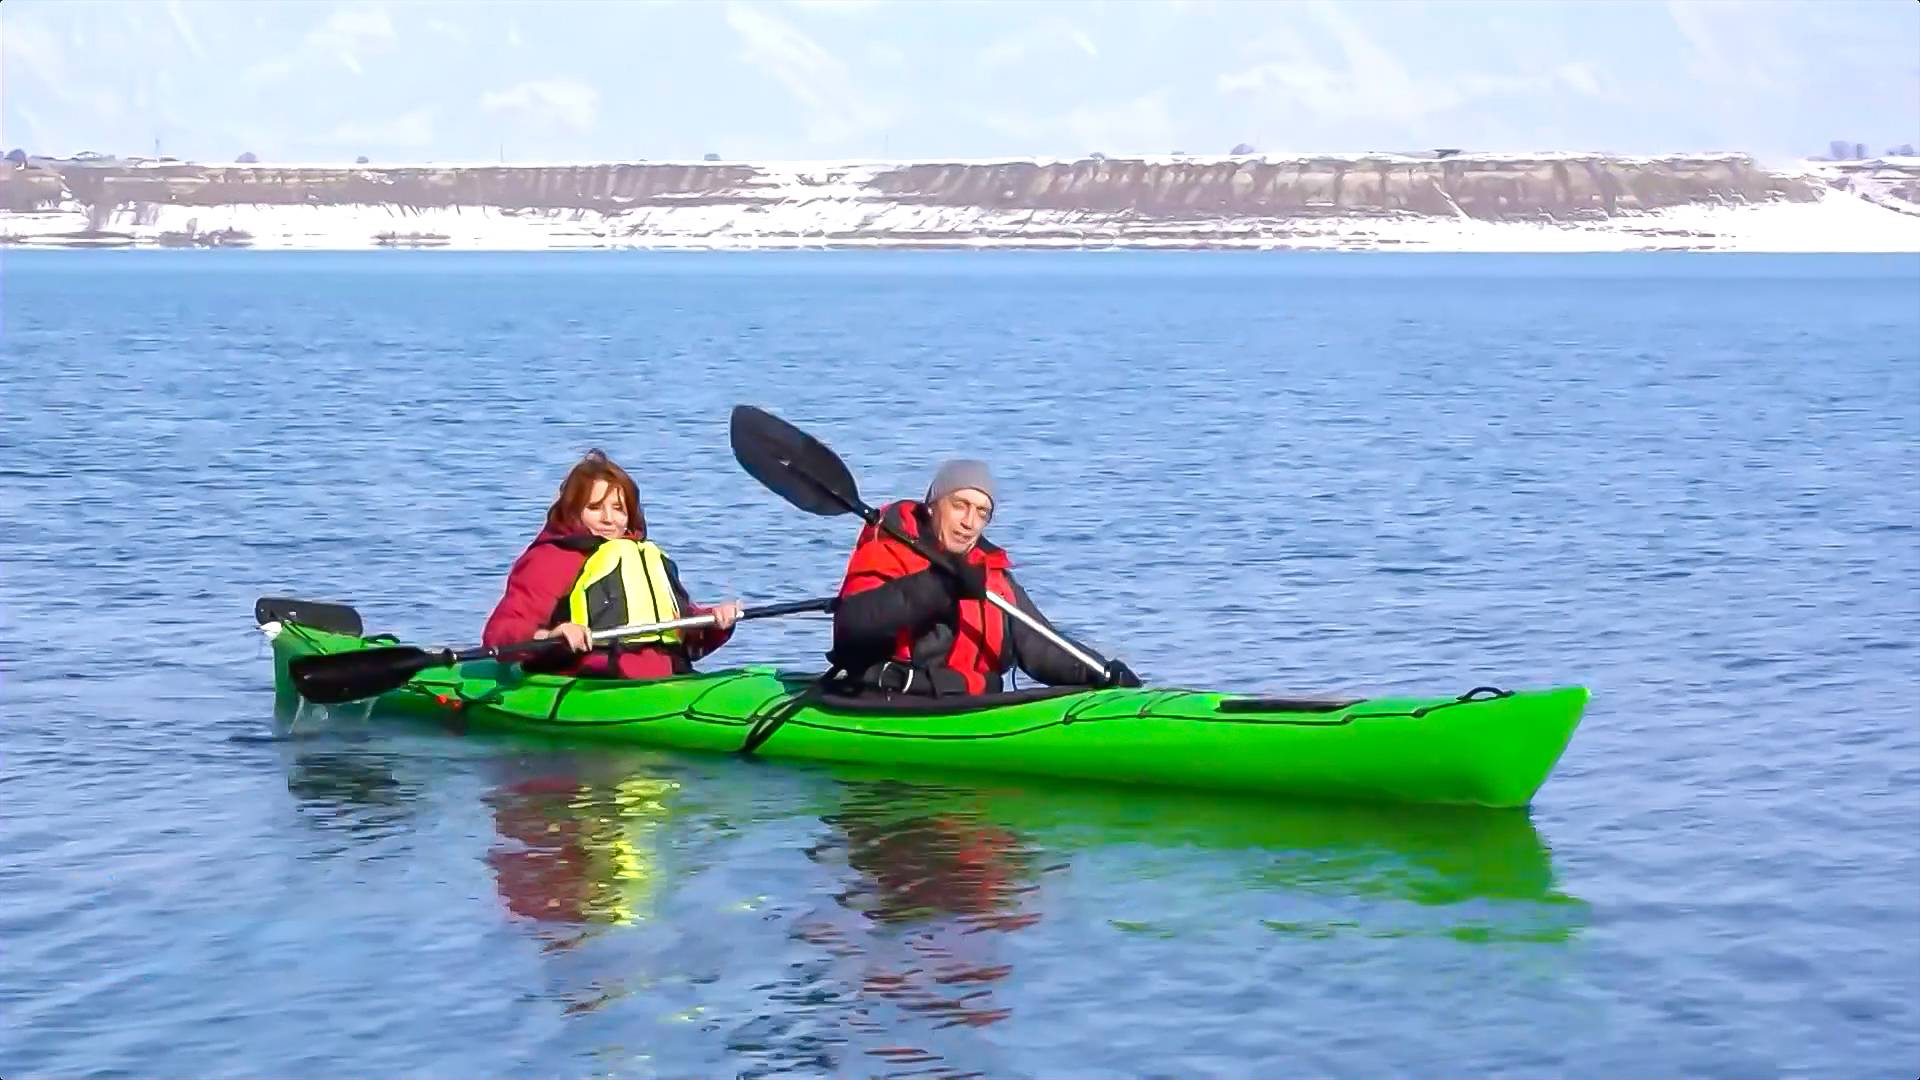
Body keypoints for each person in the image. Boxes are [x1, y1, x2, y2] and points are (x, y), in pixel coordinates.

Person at [828, 458, 1138, 695]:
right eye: (960, 506)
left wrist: (1100, 672)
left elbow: (1040, 645)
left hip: (969, 704)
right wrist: (940, 587)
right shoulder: (887, 551)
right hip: (893, 699)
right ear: (933, 508)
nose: (969, 523)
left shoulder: (989, 573)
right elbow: (853, 627)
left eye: (981, 512)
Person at [482, 449, 742, 680]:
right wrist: (550, 636)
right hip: (594, 681)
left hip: (669, 677)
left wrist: (714, 621)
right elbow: (500, 632)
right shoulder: (550, 560)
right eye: (595, 508)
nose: (609, 519)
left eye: (618, 508)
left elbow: (687, 636)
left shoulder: (647, 557)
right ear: (573, 511)